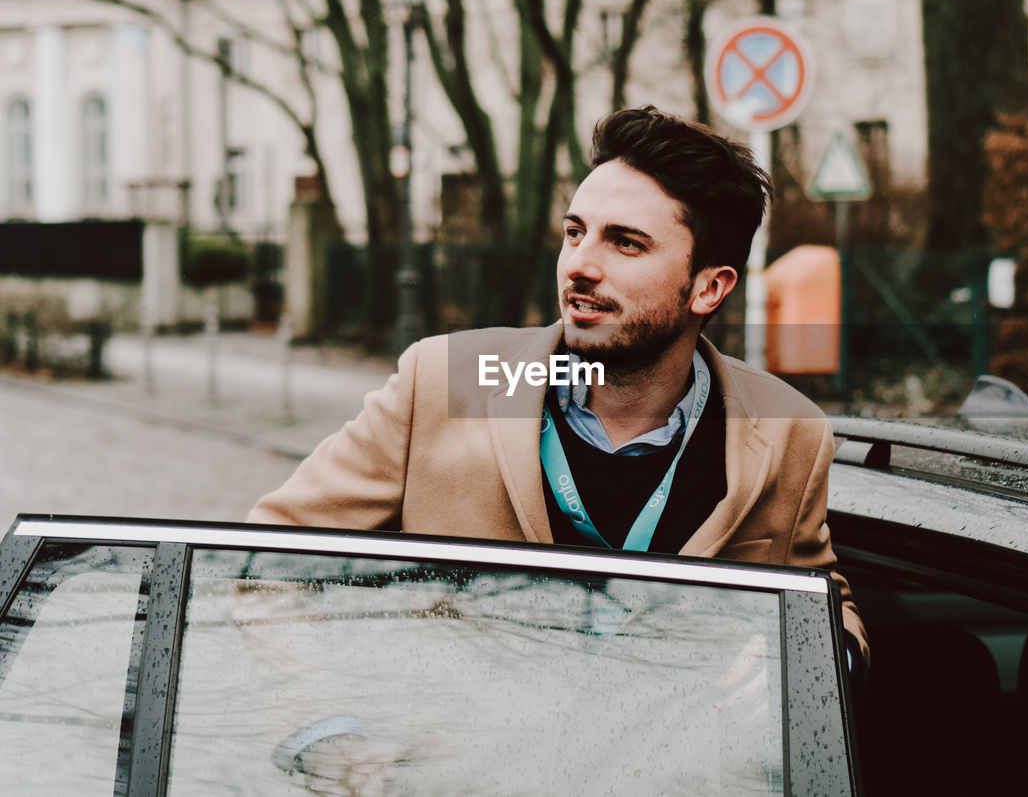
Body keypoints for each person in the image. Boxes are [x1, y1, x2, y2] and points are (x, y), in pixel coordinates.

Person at [248, 106, 866, 788]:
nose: (580, 265)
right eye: (576, 233)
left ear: (709, 286)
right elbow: (262, 562)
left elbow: (824, 599)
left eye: (625, 243)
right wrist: (325, 732)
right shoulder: (447, 383)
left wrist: (808, 652)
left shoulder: (789, 431)